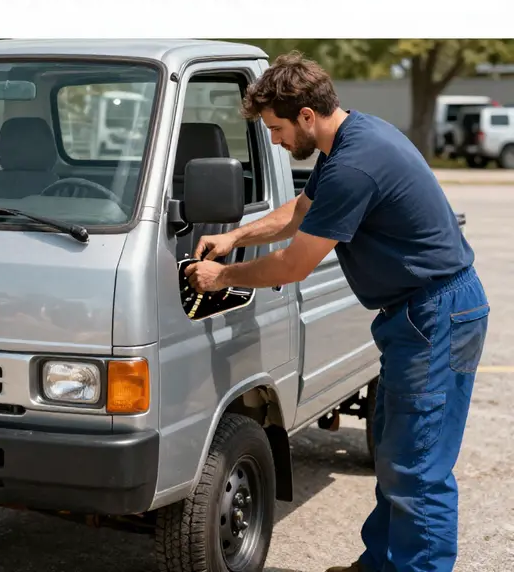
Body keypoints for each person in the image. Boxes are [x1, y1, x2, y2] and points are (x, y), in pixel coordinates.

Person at [184, 52, 489, 572]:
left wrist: (223, 276)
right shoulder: (350, 139)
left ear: (306, 115)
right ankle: (382, 564)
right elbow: (300, 211)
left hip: (437, 315)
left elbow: (294, 264)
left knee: (418, 469)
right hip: (417, 314)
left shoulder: (354, 164)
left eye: (277, 129)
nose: (275, 141)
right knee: (396, 453)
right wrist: (236, 236)